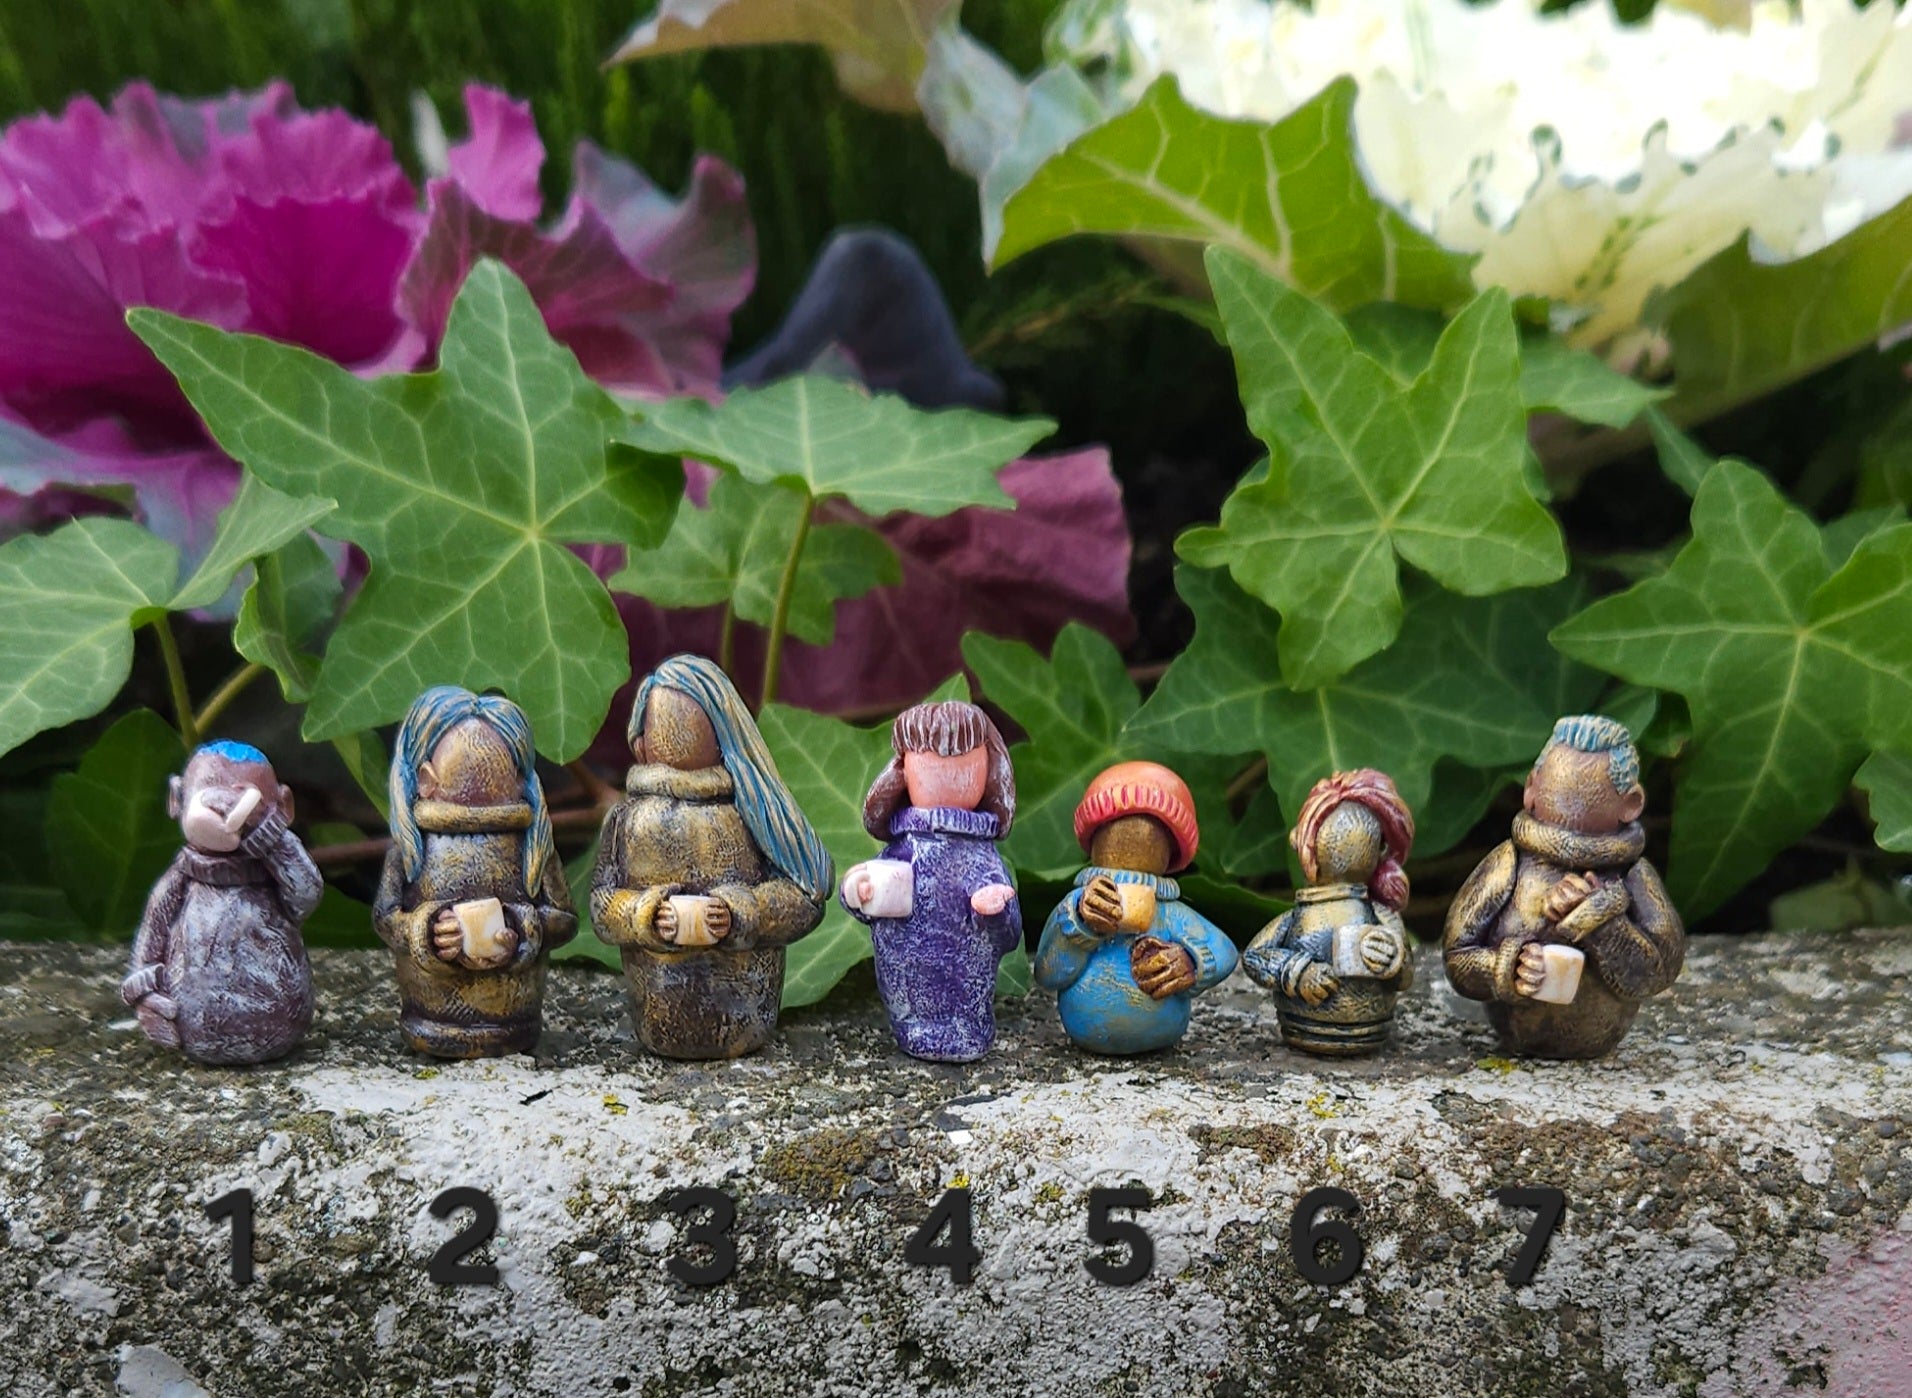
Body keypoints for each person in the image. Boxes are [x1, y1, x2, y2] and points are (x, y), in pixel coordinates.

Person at [593, 655, 831, 1059]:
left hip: (744, 1012)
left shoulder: (752, 812)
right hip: (657, 1008)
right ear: (640, 740)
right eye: (662, 723)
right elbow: (602, 905)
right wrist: (646, 914)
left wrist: (740, 910)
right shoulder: (627, 820)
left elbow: (805, 899)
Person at [1443, 715, 1683, 1059]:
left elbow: (1659, 971)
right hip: (1517, 1033)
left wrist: (1603, 924)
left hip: (1600, 1037)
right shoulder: (1508, 864)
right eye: (1561, 790)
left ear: (1631, 804)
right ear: (1531, 788)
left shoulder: (1632, 875)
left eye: (1585, 796)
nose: (1569, 816)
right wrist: (1507, 968)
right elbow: (1457, 956)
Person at [376, 687, 575, 1058]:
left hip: (513, 1016)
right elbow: (386, 919)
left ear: (520, 779)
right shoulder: (413, 847)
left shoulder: (532, 847)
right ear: (424, 779)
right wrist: (428, 930)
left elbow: (564, 919)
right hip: (430, 1013)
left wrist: (519, 928)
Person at [842, 700, 1020, 1062]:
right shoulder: (901, 850)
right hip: (905, 986)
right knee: (911, 1009)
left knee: (965, 1013)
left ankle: (969, 1029)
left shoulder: (981, 857)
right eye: (928, 762)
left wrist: (994, 912)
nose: (946, 774)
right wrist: (857, 890)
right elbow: (868, 900)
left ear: (989, 769)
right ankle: (911, 1026)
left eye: (962, 763)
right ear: (903, 771)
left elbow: (1009, 933)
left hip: (965, 993)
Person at [123, 741, 320, 1066]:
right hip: (194, 1024)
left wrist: (272, 838)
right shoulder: (180, 881)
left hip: (280, 1019)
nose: (225, 805)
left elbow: (307, 896)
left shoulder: (272, 875)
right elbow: (152, 934)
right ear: (177, 799)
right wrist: (145, 994)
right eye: (211, 789)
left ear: (283, 806)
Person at [1034, 761, 1238, 1055]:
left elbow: (1225, 951)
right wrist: (1079, 924)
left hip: (1161, 1034)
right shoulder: (1077, 908)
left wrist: (1189, 961)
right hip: (1086, 1031)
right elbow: (1048, 972)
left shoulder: (1170, 913)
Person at [1243, 769, 1415, 1056]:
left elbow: (1406, 977)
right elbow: (1254, 957)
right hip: (1304, 1026)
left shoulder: (1382, 916)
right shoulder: (1299, 919)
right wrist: (1297, 973)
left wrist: (1392, 960)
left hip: (1370, 1030)